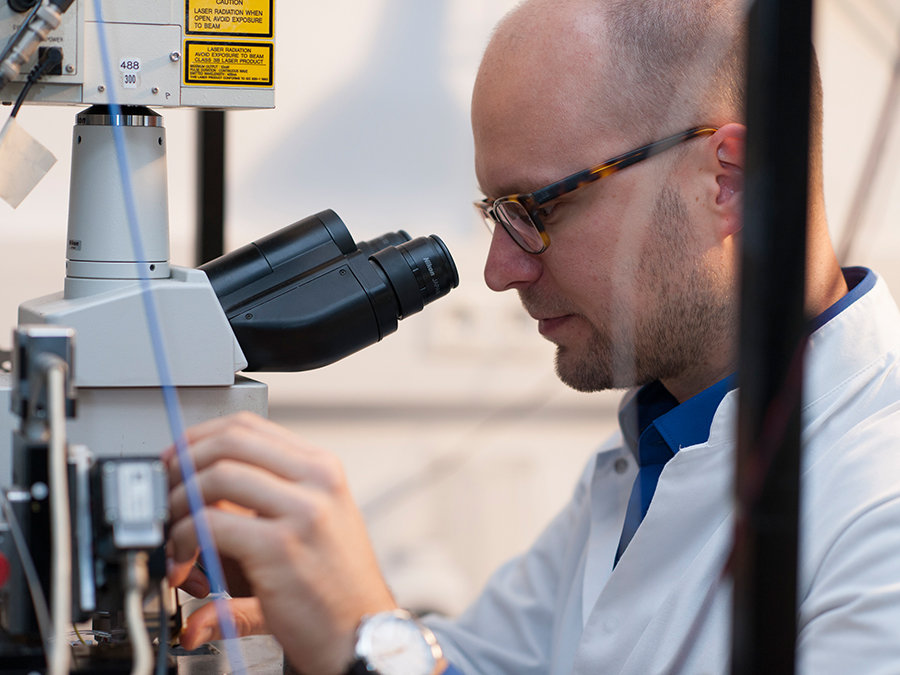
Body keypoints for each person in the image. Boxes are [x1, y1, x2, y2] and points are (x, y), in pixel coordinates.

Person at [166, 0, 900, 673]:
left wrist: (370, 640)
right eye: (497, 213)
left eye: (535, 209)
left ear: (728, 180)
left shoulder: (879, 509)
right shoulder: (659, 440)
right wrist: (314, 610)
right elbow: (482, 662)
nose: (499, 270)